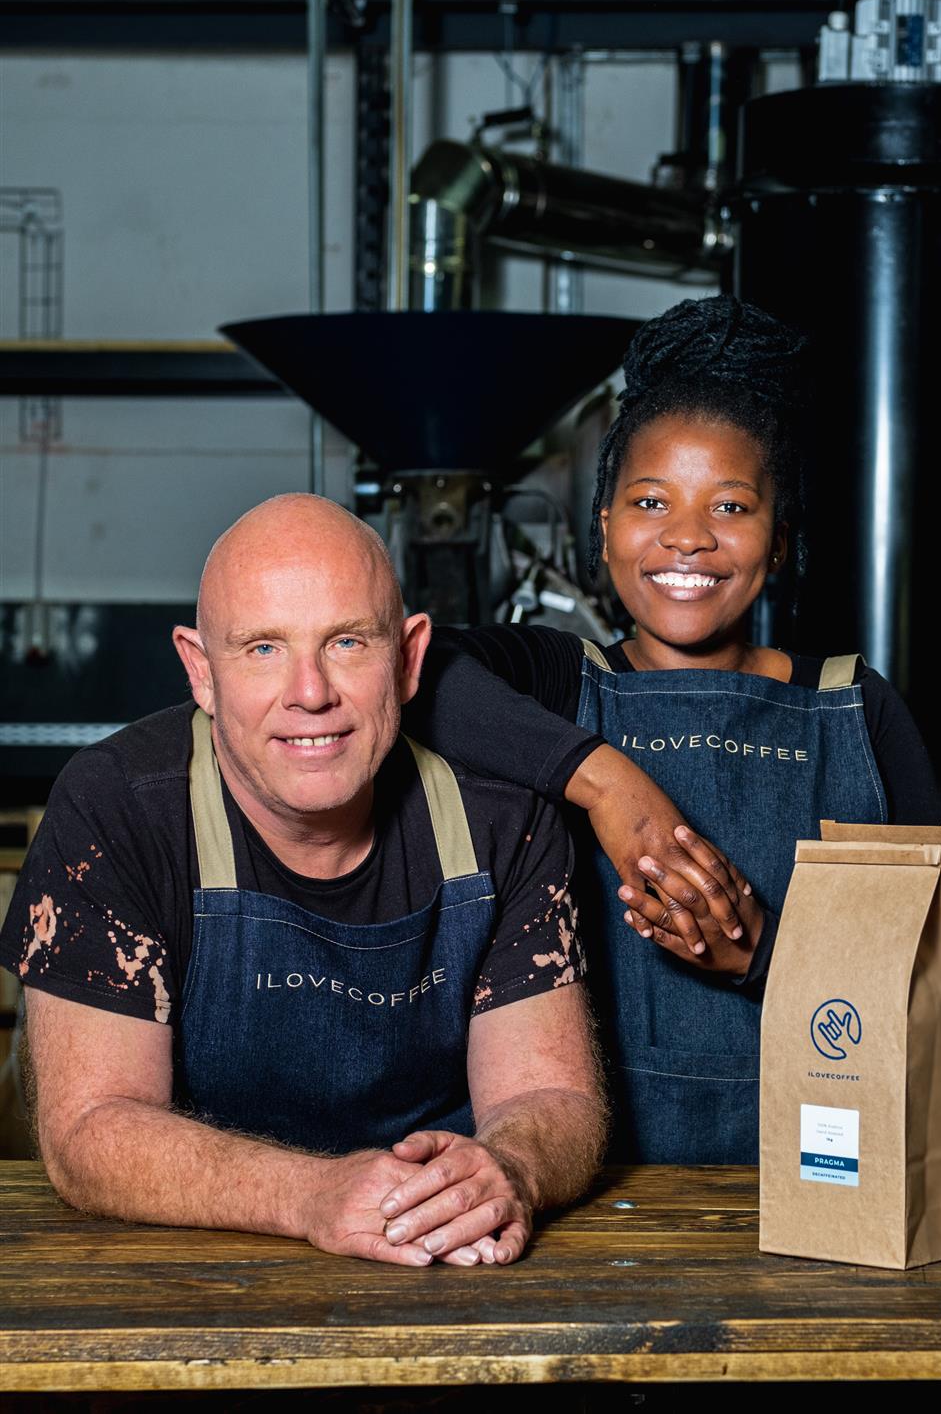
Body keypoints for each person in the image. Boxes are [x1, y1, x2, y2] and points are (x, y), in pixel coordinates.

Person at [406, 294, 941, 1164]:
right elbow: (409, 672)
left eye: (731, 508)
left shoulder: (857, 709)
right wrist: (608, 783)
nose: (688, 539)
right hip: (577, 1176)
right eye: (651, 502)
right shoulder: (555, 679)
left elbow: (928, 982)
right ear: (606, 526)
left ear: (779, 539)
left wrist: (765, 957)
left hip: (816, 1174)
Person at [0, 495, 606, 1267]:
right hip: (190, 1274)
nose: (310, 692)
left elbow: (549, 1096)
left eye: (348, 642)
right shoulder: (118, 809)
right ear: (201, 669)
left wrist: (506, 1170)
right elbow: (91, 1130)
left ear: (410, 656)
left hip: (452, 1261)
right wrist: (311, 1195)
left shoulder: (501, 814)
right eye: (261, 649)